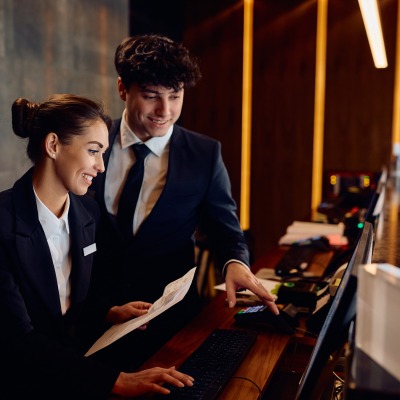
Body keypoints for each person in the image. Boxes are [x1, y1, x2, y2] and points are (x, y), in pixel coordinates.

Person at [90, 34, 279, 368]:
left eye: (175, 96)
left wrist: (235, 262)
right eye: (151, 97)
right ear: (123, 89)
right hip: (93, 319)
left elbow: (225, 229)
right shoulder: (91, 142)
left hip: (171, 323)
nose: (165, 111)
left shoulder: (204, 154)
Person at [0, 94, 194, 400]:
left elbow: (65, 298)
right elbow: (19, 338)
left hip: (73, 370)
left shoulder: (86, 212)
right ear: (53, 145)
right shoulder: (3, 223)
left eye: (102, 153)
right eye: (93, 151)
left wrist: (108, 312)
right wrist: (116, 381)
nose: (100, 166)